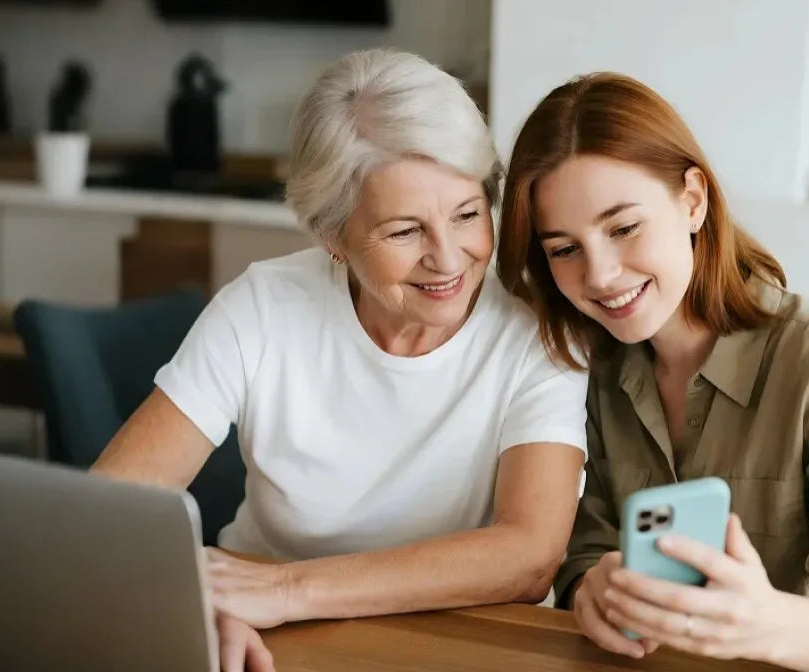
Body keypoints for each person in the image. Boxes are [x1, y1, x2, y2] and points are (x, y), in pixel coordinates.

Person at [92, 49, 588, 672]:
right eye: (404, 231)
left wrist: (287, 591)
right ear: (333, 236)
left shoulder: (538, 329)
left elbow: (530, 556)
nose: (448, 258)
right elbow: (109, 511)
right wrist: (203, 603)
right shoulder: (264, 305)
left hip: (458, 647)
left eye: (467, 215)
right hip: (267, 642)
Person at [496, 73, 809, 672]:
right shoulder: (588, 370)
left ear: (693, 201)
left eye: (624, 228)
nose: (599, 275)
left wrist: (768, 623)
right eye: (564, 249)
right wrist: (591, 591)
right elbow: (586, 553)